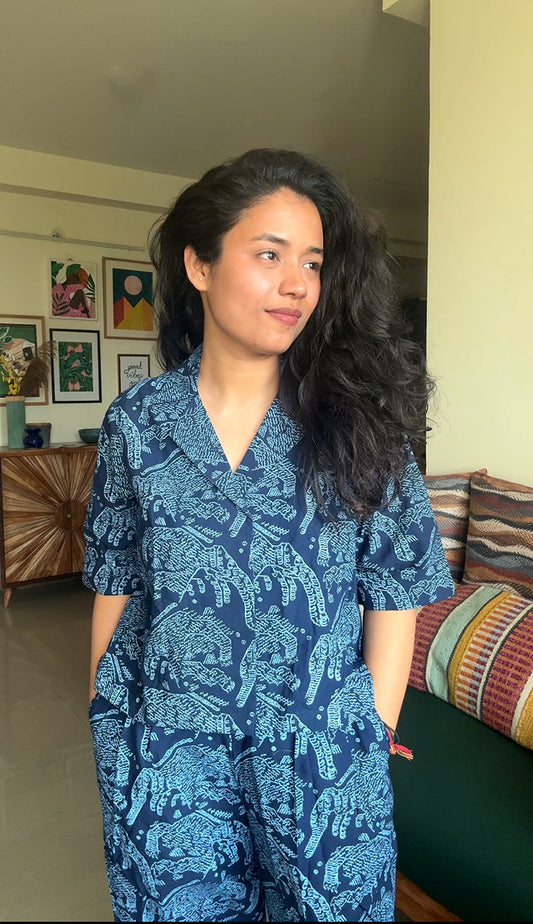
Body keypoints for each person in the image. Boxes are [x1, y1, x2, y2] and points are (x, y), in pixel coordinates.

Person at [83, 148, 455, 923]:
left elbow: (395, 587)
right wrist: (106, 716)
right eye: (269, 254)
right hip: (169, 755)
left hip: (318, 758)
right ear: (199, 265)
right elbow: (116, 576)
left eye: (312, 262)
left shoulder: (358, 420)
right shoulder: (138, 423)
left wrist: (373, 728)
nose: (297, 285)